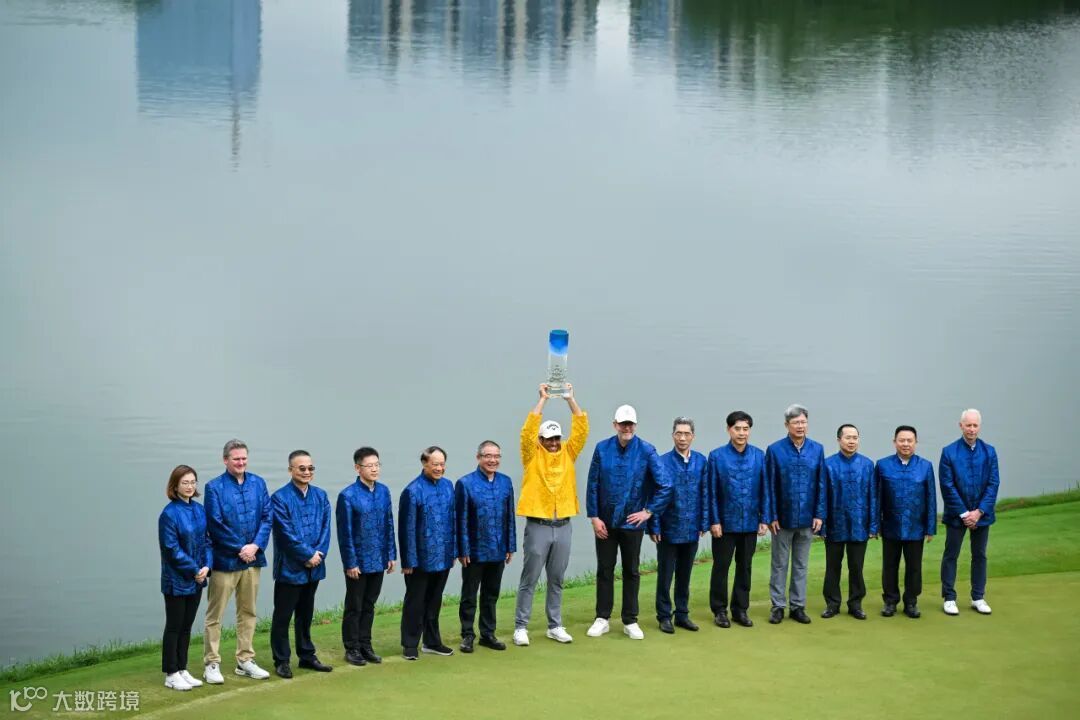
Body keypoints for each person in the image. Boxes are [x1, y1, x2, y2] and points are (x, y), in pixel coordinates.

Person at [586, 404, 672, 641]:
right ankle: (602, 618)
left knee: (631, 571)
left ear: (635, 425)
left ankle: (630, 620)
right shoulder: (602, 448)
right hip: (605, 522)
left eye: (630, 424)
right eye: (623, 424)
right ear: (615, 425)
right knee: (605, 569)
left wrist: (648, 511)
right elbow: (593, 484)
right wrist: (594, 517)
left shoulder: (646, 450)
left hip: (632, 523)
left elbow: (665, 485)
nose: (627, 428)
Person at [514, 383, 588, 646]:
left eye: (557, 438)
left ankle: (555, 625)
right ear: (541, 440)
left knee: (556, 579)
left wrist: (570, 399)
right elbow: (526, 433)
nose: (554, 443)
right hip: (538, 526)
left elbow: (581, 429)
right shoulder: (531, 455)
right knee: (530, 578)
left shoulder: (568, 452)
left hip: (564, 525)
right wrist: (543, 400)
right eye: (549, 439)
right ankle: (521, 626)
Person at [203, 439, 272, 683]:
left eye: (244, 458)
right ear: (225, 460)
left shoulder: (258, 483)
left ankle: (245, 659)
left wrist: (255, 546)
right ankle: (212, 663)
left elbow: (267, 517)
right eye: (236, 459)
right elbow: (215, 524)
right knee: (216, 614)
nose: (241, 462)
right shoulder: (214, 487)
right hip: (225, 562)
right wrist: (240, 547)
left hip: (253, 559)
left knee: (248, 611)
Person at [269, 450, 332, 678]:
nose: (307, 472)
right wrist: (307, 555)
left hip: (314, 567)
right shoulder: (279, 498)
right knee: (283, 616)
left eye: (310, 468)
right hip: (290, 567)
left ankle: (306, 655)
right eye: (302, 468)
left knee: (306, 614)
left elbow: (326, 528)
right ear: (290, 470)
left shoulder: (321, 496)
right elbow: (285, 534)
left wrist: (318, 554)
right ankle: (282, 660)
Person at [707, 411, 769, 629]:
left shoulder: (759, 455)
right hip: (724, 524)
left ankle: (740, 609)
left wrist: (765, 518)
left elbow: (765, 489)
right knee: (721, 566)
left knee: (745, 567)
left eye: (745, 429)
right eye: (737, 429)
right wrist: (714, 521)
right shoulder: (717, 456)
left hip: (750, 522)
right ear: (729, 430)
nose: (741, 433)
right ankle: (719, 610)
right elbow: (711, 491)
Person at [765, 404, 826, 625]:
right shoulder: (775, 450)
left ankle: (798, 606)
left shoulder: (817, 449)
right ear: (786, 425)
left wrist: (819, 514)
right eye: (796, 422)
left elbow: (821, 483)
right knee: (779, 564)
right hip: (782, 518)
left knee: (801, 565)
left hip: (808, 517)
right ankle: (778, 606)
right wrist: (771, 515)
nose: (800, 426)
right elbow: (769, 485)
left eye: (803, 422)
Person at [337, 447, 396, 666]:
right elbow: (345, 533)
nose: (374, 469)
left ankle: (365, 645)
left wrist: (391, 554)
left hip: (378, 558)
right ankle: (352, 648)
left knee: (370, 604)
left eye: (377, 465)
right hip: (358, 562)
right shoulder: (348, 496)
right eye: (369, 465)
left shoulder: (384, 491)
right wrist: (350, 562)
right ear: (357, 468)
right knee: (355, 606)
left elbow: (389, 524)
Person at [456, 441, 516, 652]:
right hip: (474, 551)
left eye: (496, 456)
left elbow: (510, 516)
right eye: (488, 456)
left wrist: (510, 545)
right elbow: (461, 519)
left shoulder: (505, 482)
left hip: (498, 548)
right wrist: (462, 549)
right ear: (479, 457)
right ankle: (467, 635)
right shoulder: (465, 483)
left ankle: (488, 634)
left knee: (491, 594)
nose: (493, 460)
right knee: (469, 595)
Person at [939, 409, 1000, 616]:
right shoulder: (949, 452)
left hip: (982, 514)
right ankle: (949, 598)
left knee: (980, 555)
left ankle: (978, 597)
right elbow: (947, 485)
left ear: (979, 427)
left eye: (975, 425)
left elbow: (993, 483)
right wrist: (965, 514)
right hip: (957, 516)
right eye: (968, 425)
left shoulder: (989, 451)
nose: (972, 429)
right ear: (961, 426)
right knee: (951, 555)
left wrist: (979, 511)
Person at [649, 417, 708, 633]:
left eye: (686, 434)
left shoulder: (701, 461)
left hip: (692, 527)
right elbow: (655, 495)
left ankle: (682, 614)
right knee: (665, 575)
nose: (682, 438)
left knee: (685, 574)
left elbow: (705, 493)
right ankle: (664, 616)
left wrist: (704, 522)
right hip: (668, 528)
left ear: (693, 436)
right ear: (673, 436)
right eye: (679, 434)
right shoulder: (662, 461)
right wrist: (654, 526)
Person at [399, 446, 457, 660]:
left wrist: (454, 550)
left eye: (442, 464)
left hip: (443, 555)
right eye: (435, 464)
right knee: (415, 602)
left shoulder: (448, 486)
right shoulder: (412, 491)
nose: (439, 468)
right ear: (424, 464)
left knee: (435, 600)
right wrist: (408, 560)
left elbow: (453, 520)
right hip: (420, 559)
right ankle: (410, 644)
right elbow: (406, 529)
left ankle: (432, 642)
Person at [159, 465, 211, 691]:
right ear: (175, 486)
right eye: (185, 483)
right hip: (176, 580)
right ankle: (171, 673)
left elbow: (208, 541)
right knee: (174, 626)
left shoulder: (199, 510)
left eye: (192, 482)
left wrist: (207, 566)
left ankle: (182, 668)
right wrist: (194, 569)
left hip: (197, 578)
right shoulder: (169, 514)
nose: (190, 486)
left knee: (187, 626)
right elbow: (171, 549)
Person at [876, 425, 936, 619]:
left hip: (915, 526)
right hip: (890, 525)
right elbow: (877, 497)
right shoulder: (883, 465)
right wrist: (875, 525)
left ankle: (911, 601)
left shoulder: (925, 466)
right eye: (902, 440)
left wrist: (930, 527)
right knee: (889, 566)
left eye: (910, 440)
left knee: (914, 567)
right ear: (894, 442)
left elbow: (931, 498)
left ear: (916, 442)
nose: (906, 444)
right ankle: (890, 601)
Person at [821, 425, 878, 620]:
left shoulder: (867, 465)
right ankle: (832, 604)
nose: (851, 441)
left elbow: (873, 496)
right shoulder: (827, 464)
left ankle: (855, 604)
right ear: (839, 440)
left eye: (855, 437)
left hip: (859, 524)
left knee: (856, 567)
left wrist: (873, 525)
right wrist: (822, 525)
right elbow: (822, 496)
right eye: (847, 437)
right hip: (834, 523)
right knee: (832, 567)